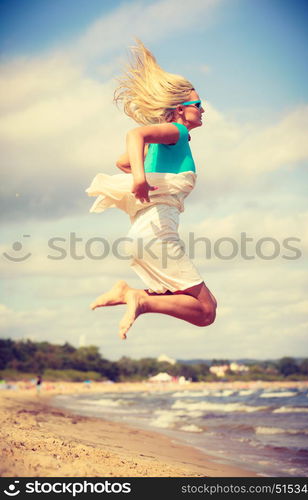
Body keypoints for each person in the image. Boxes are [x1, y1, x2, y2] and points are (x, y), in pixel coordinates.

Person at [86, 40, 217, 340]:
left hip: (144, 235)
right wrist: (141, 179)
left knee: (201, 306)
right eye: (198, 105)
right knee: (206, 310)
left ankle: (128, 292)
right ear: (180, 110)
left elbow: (122, 161)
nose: (202, 110)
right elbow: (134, 134)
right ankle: (139, 299)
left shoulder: (164, 143)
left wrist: (142, 167)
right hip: (158, 233)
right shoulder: (178, 132)